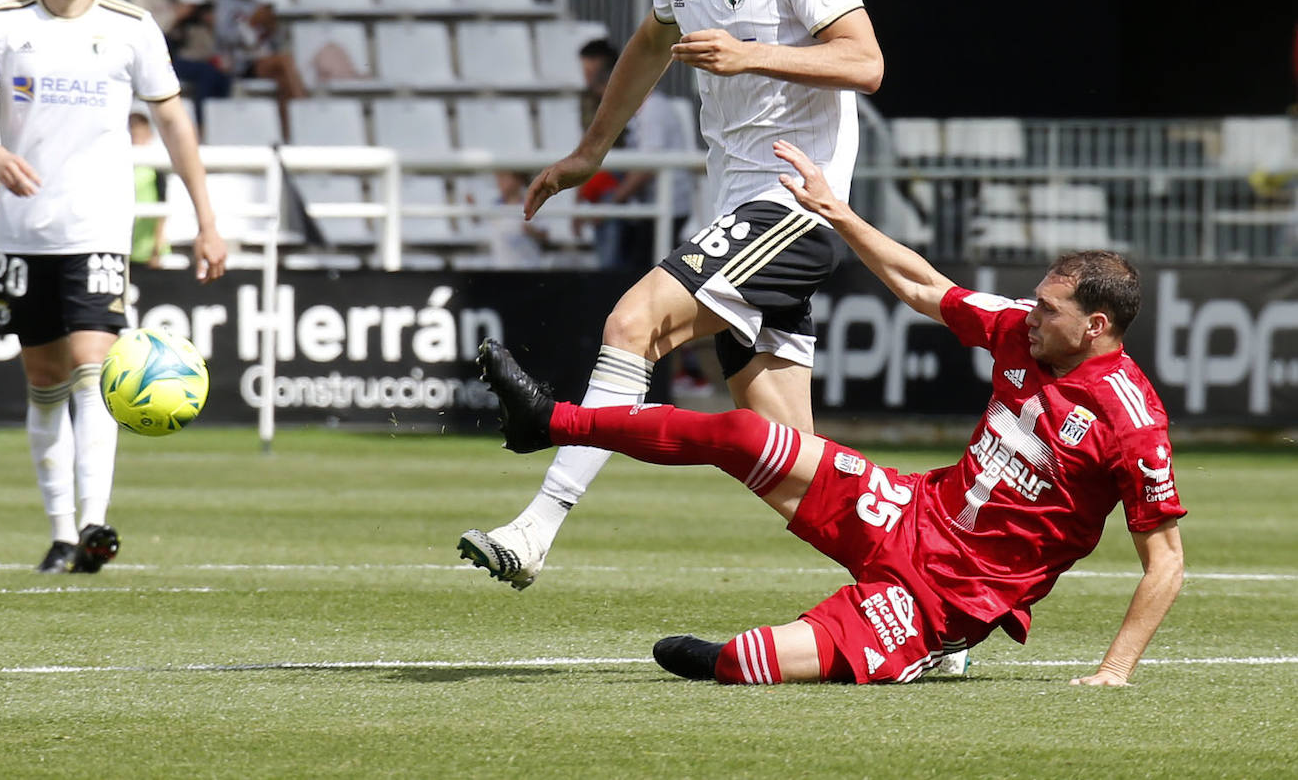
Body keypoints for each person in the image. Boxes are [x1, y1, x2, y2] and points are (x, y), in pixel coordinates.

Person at [472, 138, 1187, 687]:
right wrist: (838, 212)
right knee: (747, 435)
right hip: (910, 508)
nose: (1030, 314)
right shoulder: (1017, 332)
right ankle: (549, 420)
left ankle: (926, 656)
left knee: (743, 662)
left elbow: (1165, 563)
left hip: (950, 598)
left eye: (1049, 309)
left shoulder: (1133, 423)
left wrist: (1113, 670)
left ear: (1096, 326)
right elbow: (920, 283)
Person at [458, 0, 883, 589]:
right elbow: (650, 44)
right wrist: (592, 151)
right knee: (785, 462)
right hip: (736, 214)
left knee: (631, 322)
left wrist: (749, 52)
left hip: (793, 208)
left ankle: (537, 526)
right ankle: (932, 590)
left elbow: (866, 62)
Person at [0, 0, 227, 574]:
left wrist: (206, 219)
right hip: (24, 233)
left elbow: (174, 123)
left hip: (98, 230)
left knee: (93, 371)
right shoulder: (4, 23)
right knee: (43, 381)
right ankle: (60, 530)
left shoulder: (131, 28)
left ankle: (96, 525)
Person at [577, 38, 695, 272]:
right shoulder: (637, 112)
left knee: (639, 270)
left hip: (666, 206)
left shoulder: (654, 110)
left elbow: (644, 170)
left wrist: (609, 206)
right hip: (649, 205)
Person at [211, 0, 308, 137]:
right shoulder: (222, 5)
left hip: (261, 58)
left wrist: (271, 26)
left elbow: (274, 42)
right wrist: (253, 22)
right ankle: (304, 112)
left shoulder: (256, 3)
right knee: (285, 61)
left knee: (283, 79)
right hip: (239, 62)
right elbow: (223, 37)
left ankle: (288, 131)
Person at [132, 0, 230, 122]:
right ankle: (201, 123)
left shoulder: (173, 0)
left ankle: (218, 123)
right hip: (154, 59)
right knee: (206, 73)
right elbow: (146, 29)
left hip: (177, 56)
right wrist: (177, 15)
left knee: (221, 75)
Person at [128, 111, 169, 267]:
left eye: (140, 135)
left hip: (149, 250)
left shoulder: (156, 165)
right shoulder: (117, 165)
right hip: (123, 246)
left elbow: (163, 204)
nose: (137, 140)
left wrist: (157, 246)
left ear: (149, 135)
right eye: (133, 135)